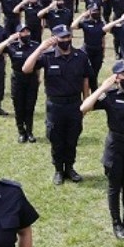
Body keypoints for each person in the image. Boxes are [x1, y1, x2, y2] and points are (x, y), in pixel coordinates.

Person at [81, 60, 124, 239]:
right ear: (117, 78)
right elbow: (84, 107)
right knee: (114, 186)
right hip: (115, 147)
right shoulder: (109, 96)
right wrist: (102, 88)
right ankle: (116, 223)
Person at [22, 25, 91, 185]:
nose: (65, 40)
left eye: (68, 37)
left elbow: (85, 79)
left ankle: (70, 168)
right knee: (56, 138)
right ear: (54, 39)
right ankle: (59, 170)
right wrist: (41, 47)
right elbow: (26, 68)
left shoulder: (80, 56)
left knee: (72, 138)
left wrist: (86, 100)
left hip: (74, 104)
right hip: (55, 105)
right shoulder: (47, 56)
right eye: (61, 38)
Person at [0, 25, 42, 144]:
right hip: (18, 79)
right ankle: (21, 132)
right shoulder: (12, 46)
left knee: (30, 107)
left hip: (32, 79)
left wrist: (39, 77)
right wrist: (9, 40)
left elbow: (39, 62)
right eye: (23, 32)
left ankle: (30, 132)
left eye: (27, 31)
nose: (26, 34)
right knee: (19, 107)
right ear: (17, 34)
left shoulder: (35, 45)